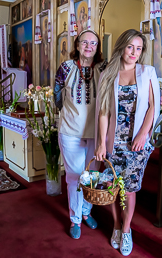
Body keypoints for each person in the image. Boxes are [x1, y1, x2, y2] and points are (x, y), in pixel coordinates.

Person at [94, 29, 161, 256]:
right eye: (130, 47)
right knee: (113, 188)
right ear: (122, 46)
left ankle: (126, 229)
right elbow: (103, 111)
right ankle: (115, 225)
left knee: (129, 189)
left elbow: (153, 105)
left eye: (139, 48)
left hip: (137, 144)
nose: (134, 52)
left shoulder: (147, 72)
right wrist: (102, 143)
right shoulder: (108, 74)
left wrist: (144, 133)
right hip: (115, 141)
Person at [54, 30, 107, 240]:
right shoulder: (66, 68)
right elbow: (58, 94)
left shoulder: (104, 68)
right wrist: (67, 112)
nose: (89, 46)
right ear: (77, 45)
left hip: (96, 133)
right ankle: (76, 219)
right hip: (70, 131)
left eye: (93, 43)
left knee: (92, 176)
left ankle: (86, 211)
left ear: (97, 47)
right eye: (85, 42)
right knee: (75, 177)